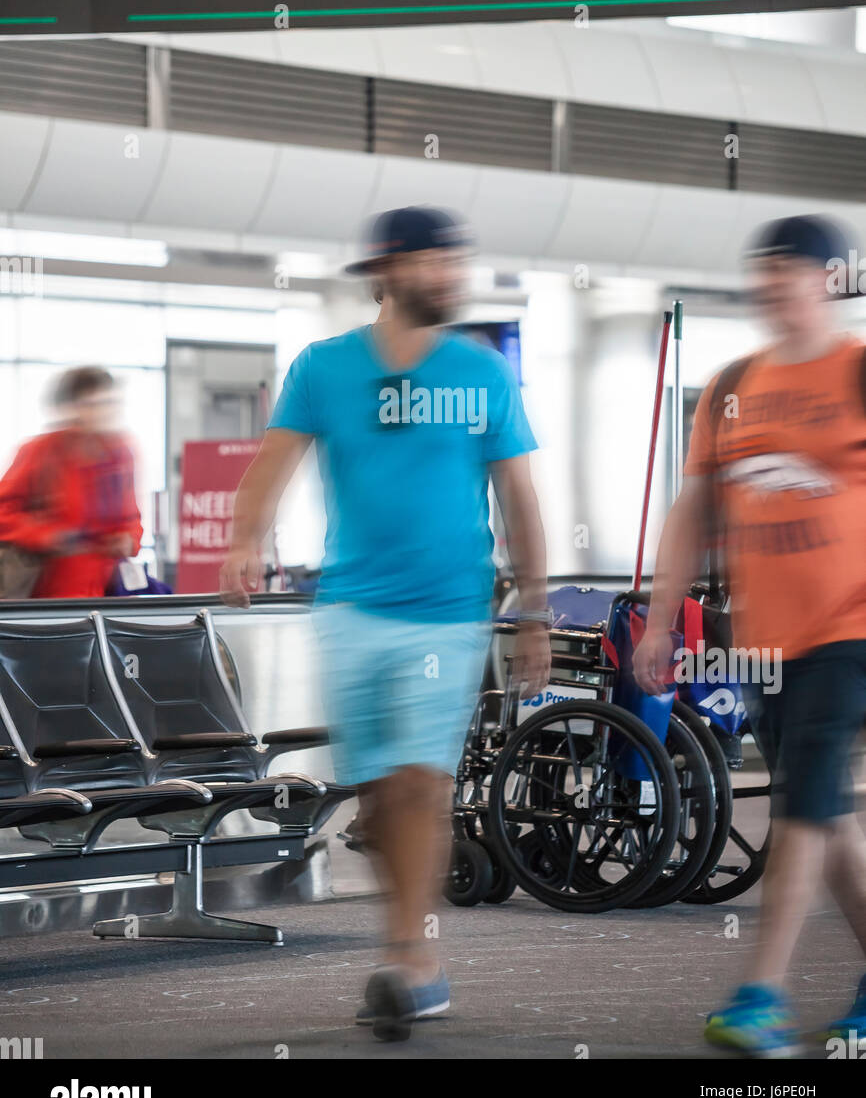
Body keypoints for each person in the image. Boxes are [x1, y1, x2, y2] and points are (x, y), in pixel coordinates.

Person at [220, 205, 550, 1041]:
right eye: (434, 262)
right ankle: (408, 950)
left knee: (420, 785)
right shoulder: (325, 369)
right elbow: (272, 466)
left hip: (448, 611)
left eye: (456, 262)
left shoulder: (480, 372)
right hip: (353, 610)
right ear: (387, 272)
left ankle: (412, 960)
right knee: (377, 800)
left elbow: (519, 493)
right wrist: (245, 541)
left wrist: (536, 609)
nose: (451, 276)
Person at [634, 214, 866, 1058]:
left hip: (852, 627)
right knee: (827, 813)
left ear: (832, 279)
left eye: (791, 270)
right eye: (763, 270)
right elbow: (691, 512)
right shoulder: (731, 383)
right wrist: (660, 621)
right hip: (765, 639)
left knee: (803, 794)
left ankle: (762, 992)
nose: (772, 284)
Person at [0, 366, 142, 598]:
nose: (105, 411)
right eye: (94, 404)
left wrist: (129, 539)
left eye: (110, 402)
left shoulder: (120, 453)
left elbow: (131, 516)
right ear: (72, 407)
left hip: (105, 590)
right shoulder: (40, 452)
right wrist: (45, 536)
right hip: (44, 591)